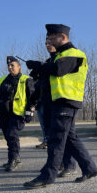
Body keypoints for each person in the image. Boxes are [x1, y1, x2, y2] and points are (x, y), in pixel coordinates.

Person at [23, 24, 97, 189]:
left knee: (56, 139)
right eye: (48, 38)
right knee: (71, 139)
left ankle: (47, 176)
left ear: (63, 37)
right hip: (60, 102)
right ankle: (90, 168)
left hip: (66, 101)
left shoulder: (73, 54)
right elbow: (51, 77)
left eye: (52, 38)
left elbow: (58, 70)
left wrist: (38, 65)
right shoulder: (60, 55)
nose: (49, 41)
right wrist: (40, 72)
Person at [31, 38, 77, 176]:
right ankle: (57, 164)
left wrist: (40, 67)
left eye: (50, 42)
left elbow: (59, 73)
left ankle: (69, 165)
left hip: (64, 103)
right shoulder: (50, 61)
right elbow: (44, 83)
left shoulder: (65, 59)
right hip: (48, 102)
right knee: (52, 136)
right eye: (45, 43)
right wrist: (38, 74)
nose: (47, 45)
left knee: (66, 136)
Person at [0, 56, 35, 172]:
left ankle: (14, 159)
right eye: (8, 66)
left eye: (12, 65)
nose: (10, 67)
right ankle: (13, 158)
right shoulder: (3, 80)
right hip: (3, 114)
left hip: (17, 114)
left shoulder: (26, 80)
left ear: (19, 66)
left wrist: (29, 112)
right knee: (8, 137)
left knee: (12, 134)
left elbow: (33, 98)